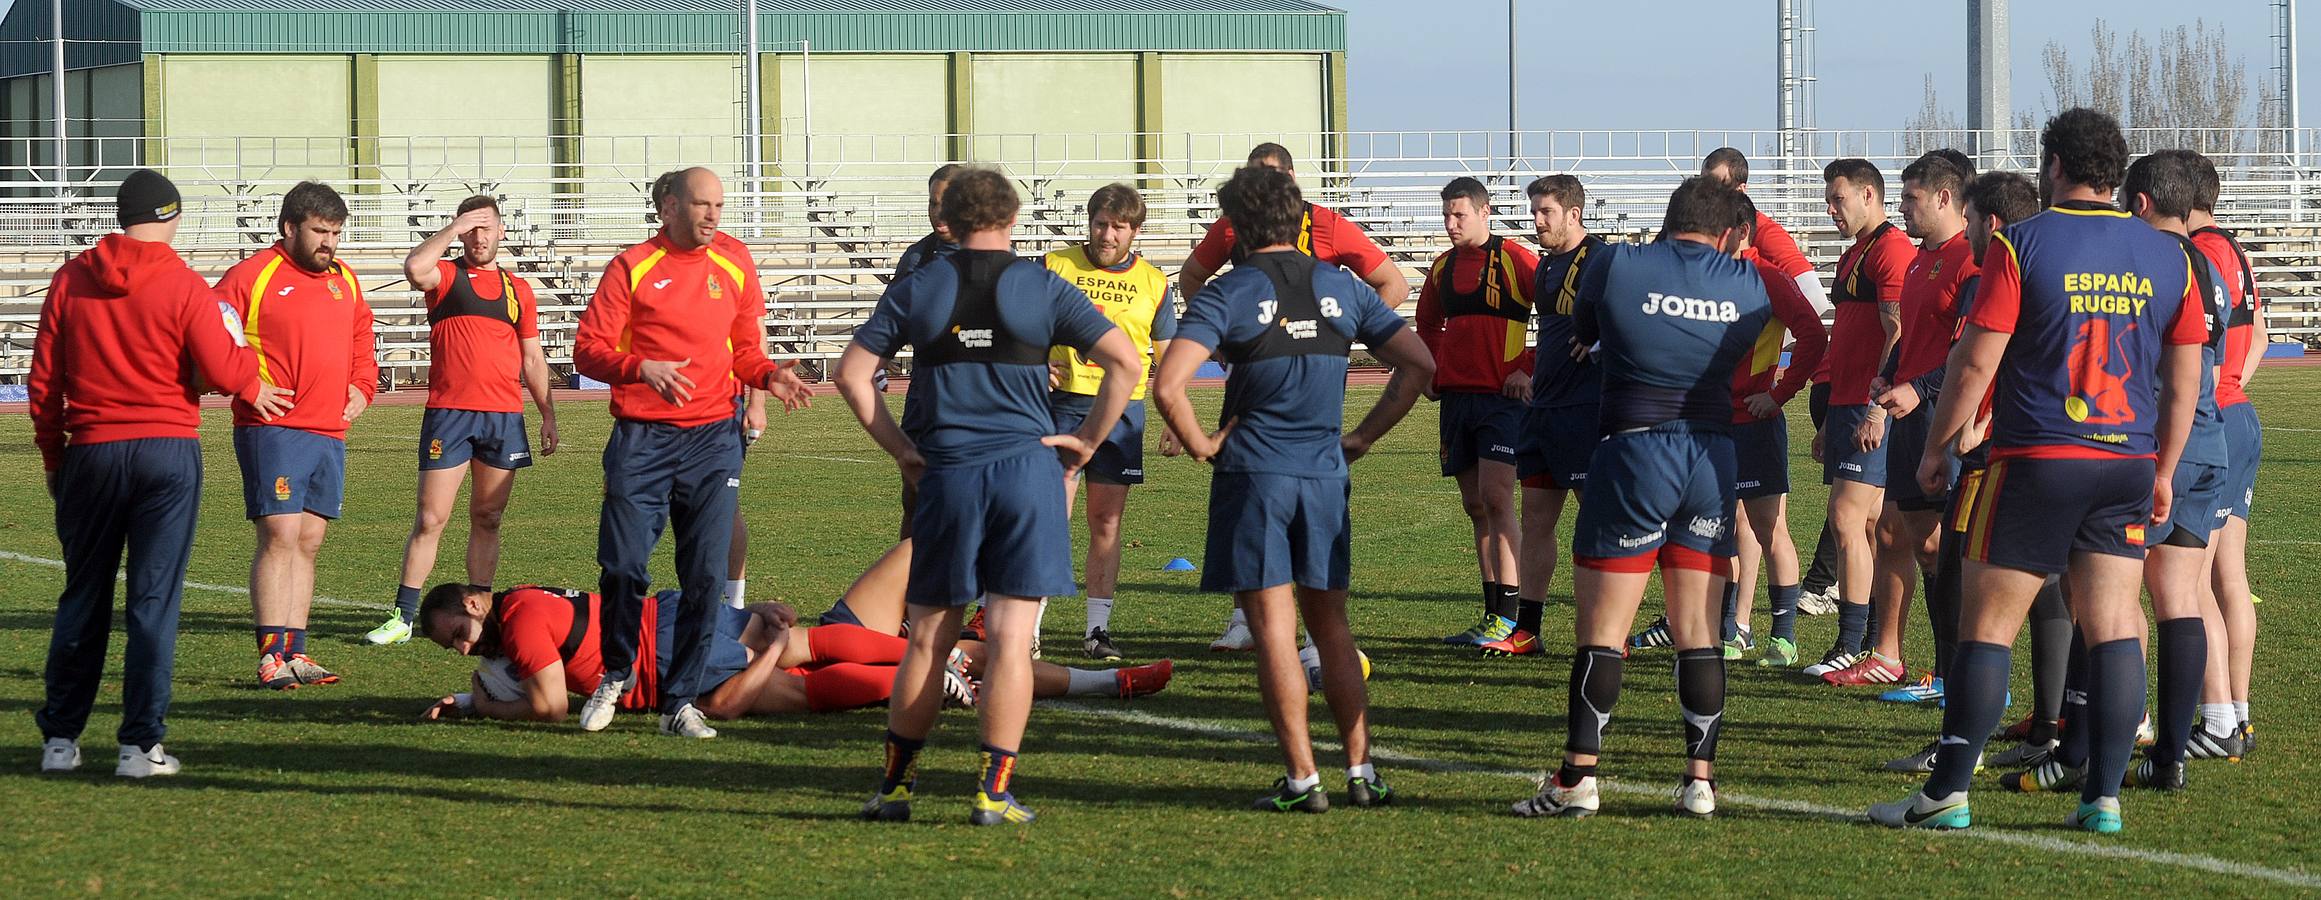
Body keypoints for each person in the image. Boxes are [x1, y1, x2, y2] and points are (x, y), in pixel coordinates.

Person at [1870, 107, 2205, 835]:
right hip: (2126, 459)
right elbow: (2184, 383)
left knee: (1988, 626)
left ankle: (1947, 793)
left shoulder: (2020, 243)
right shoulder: (2168, 255)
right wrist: (2164, 470)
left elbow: (1976, 358)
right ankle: (2103, 798)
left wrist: (1937, 445)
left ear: (2051, 164)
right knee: (2114, 623)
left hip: (2037, 458)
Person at [836, 166, 1140, 826]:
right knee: (1007, 639)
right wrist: (1085, 441)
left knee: (927, 641)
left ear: (950, 216)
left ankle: (894, 790)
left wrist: (900, 448)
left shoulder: (920, 285)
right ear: (1010, 218)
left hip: (948, 472)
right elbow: (1125, 362)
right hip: (1027, 475)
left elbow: (852, 375)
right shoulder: (1041, 283)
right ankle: (991, 794)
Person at [1153, 163, 1433, 813]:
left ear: (1236, 226)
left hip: (1253, 476)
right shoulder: (1339, 285)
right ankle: (1361, 772)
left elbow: (1169, 385)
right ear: (1296, 216)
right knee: (1330, 627)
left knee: (1275, 632)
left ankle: (1303, 780)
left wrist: (1200, 443)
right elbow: (1418, 364)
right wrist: (1359, 438)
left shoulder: (1229, 292)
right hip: (1323, 475)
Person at [1509, 177, 1771, 820]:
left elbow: (1587, 327)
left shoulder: (1617, 261)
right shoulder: (1745, 284)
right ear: (1727, 230)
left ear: (1668, 218)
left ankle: (1577, 778)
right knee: (1699, 632)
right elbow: (1742, 343)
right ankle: (1700, 781)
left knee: (1603, 631)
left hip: (1634, 449)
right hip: (1710, 456)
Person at [29, 170, 293, 777]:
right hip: (166, 451)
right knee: (153, 602)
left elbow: (44, 384)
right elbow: (222, 369)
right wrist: (250, 374)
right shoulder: (181, 282)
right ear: (171, 218)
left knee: (83, 596)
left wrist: (53, 458)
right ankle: (138, 746)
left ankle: (61, 741)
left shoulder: (71, 279)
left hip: (91, 452)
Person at [572, 167, 812, 739]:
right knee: (624, 565)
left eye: (719, 206)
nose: (712, 215)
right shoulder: (633, 267)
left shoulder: (734, 263)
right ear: (669, 206)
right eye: (701, 205)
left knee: (705, 574)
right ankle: (617, 669)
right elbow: (587, 351)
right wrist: (640, 368)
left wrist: (768, 375)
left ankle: (679, 703)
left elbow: (745, 351)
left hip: (713, 440)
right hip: (642, 439)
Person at [413, 545, 1172, 724]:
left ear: (479, 600)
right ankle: (1106, 679)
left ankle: (969, 638)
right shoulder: (521, 609)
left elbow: (544, 700)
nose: (464, 644)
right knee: (947, 647)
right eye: (453, 643)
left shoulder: (515, 622)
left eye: (458, 629)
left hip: (685, 652)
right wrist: (466, 690)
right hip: (689, 624)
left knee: (809, 678)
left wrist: (479, 702)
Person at [1183, 144, 1412, 654]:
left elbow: (1391, 281)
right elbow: (1191, 276)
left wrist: (1340, 328)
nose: (1261, 188)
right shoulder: (1231, 226)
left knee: (1298, 499)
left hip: (1311, 383)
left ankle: (1313, 633)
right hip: (1255, 379)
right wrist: (1220, 338)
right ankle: (1246, 617)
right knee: (1251, 496)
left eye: (1271, 177)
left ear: (1292, 179)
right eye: (1254, 178)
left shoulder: (1327, 225)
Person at [1883, 171, 2066, 775]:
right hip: (2071, 452)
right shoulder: (2051, 270)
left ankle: (1961, 741)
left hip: (1997, 459)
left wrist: (1955, 438)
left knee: (1965, 594)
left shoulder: (1997, 274)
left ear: (1987, 221)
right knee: (2056, 590)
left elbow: (1975, 363)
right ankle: (2053, 725)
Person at [372, 195, 557, 645]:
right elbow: (415, 268)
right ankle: (403, 616)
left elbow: (532, 356)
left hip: (503, 418)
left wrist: (547, 412)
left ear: (502, 233)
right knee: (431, 518)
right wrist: (452, 229)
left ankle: (483, 611)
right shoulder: (447, 276)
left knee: (488, 517)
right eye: (471, 229)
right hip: (449, 416)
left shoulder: (519, 290)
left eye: (486, 227)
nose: (479, 237)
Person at [216, 180, 376, 691]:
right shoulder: (252, 275)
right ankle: (269, 655)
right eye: (319, 231)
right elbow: (212, 331)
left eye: (336, 232)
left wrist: (362, 386)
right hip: (274, 429)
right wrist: (246, 383)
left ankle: (297, 651)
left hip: (329, 429)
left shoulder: (345, 279)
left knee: (309, 541)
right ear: (289, 228)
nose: (330, 242)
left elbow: (360, 337)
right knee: (280, 536)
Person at [2105, 150, 2231, 792]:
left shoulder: (2151, 262)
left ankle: (2119, 731)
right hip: (2209, 440)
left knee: (2116, 595)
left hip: (2160, 444)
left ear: (2142, 204)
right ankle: (2172, 757)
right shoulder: (2210, 263)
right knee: (2179, 595)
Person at [1848, 151, 1979, 695]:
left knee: (1942, 548)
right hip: (1908, 414)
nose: (1902, 208)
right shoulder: (1919, 261)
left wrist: (1918, 388)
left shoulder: (1970, 261)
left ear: (1945, 198)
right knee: (1910, 538)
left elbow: (1968, 350)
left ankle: (1959, 672)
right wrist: (1885, 384)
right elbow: (1911, 337)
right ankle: (1929, 666)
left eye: (1911, 198)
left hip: (1943, 419)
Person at [1044, 183, 1178, 661]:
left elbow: (1170, 359)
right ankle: (1028, 625)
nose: (1107, 235)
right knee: (1048, 517)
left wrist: (1175, 419)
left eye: (1118, 227)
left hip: (1125, 413)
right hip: (1063, 407)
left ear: (1135, 231)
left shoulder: (1155, 283)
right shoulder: (1054, 265)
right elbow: (1018, 327)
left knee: (1106, 522)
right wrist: (1035, 364)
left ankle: (1096, 631)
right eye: (1100, 223)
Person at [1796, 158, 1912, 681]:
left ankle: (1850, 642)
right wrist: (1829, 418)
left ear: (1869, 194)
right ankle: (1867, 643)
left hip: (1868, 408)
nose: (1831, 208)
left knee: (1847, 519)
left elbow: (1898, 333)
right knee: (1863, 526)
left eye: (1838, 198)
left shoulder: (1890, 249)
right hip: (1844, 404)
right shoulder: (1856, 253)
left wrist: (1875, 407)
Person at [1417, 176, 1540, 649]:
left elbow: (1553, 316)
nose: (1450, 224)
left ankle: (1509, 617)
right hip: (1457, 399)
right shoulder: (1442, 267)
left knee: (1496, 498)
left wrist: (1527, 368)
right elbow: (1426, 322)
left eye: (1459, 215)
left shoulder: (1514, 259)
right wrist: (1429, 368)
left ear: (1485, 212)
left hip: (1500, 401)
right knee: (1475, 507)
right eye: (1446, 215)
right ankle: (1492, 614)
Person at [1492, 174, 1606, 658]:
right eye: (1534, 211)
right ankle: (1529, 628)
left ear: (1574, 214)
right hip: (1543, 410)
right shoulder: (1544, 266)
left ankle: (1609, 630)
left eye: (1546, 213)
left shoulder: (1602, 260)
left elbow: (1639, 317)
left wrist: (1602, 340)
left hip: (1585, 412)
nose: (1537, 221)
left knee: (1599, 522)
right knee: (1536, 521)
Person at [1722, 194, 1828, 667]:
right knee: (1716, 529)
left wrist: (1779, 393)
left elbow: (1813, 334)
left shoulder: (1768, 277)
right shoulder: (1702, 278)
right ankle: (1730, 630)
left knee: (1770, 528)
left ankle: (1783, 636)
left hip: (1755, 423)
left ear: (1743, 231)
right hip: (1710, 426)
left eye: (1719, 227)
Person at [2187, 161, 2262, 758]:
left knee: (2194, 577)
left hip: (2213, 417)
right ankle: (2238, 711)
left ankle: (2218, 722)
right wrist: (2234, 386)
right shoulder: (2235, 251)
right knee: (2228, 576)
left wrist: (2214, 391)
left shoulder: (2197, 255)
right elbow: (2257, 335)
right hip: (2240, 414)